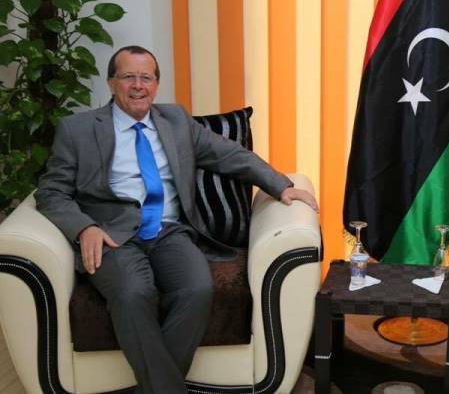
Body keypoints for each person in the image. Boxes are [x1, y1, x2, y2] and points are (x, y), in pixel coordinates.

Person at [34, 45, 318, 394]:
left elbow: (230, 155)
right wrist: (84, 227)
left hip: (170, 231)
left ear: (156, 84)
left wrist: (281, 185)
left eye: (146, 78)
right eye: (128, 77)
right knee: (133, 293)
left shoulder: (176, 121)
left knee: (197, 289)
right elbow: (51, 192)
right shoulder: (77, 129)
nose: (138, 86)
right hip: (111, 236)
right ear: (111, 83)